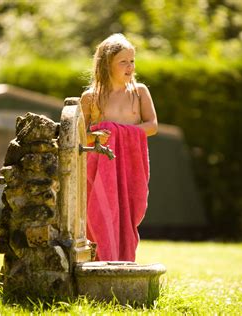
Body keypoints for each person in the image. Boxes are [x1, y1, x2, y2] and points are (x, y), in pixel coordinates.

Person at [80, 33, 158, 261]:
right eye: (123, 62)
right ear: (106, 64)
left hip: (130, 166)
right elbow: (79, 136)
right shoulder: (91, 98)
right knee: (99, 215)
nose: (130, 67)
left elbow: (152, 126)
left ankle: (122, 261)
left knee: (126, 215)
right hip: (98, 169)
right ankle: (98, 262)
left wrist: (117, 132)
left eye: (132, 61)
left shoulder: (139, 92)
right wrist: (96, 137)